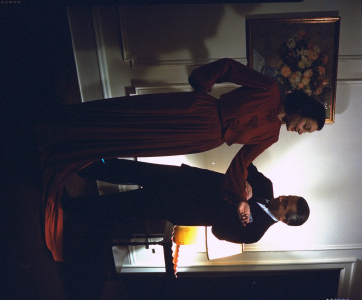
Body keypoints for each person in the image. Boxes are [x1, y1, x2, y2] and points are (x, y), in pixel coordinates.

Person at [36, 58, 323, 261]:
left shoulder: (271, 138)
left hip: (202, 145)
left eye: (305, 132)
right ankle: (78, 149)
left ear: (285, 219)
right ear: (303, 111)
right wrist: (201, 85)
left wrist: (240, 200)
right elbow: (228, 67)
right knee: (135, 125)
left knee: (135, 164)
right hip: (199, 113)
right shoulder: (271, 90)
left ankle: (74, 173)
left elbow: (239, 165)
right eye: (306, 126)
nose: (300, 131)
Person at [69, 159, 309, 244]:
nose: (281, 197)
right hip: (186, 178)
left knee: (127, 205)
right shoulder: (265, 186)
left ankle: (72, 208)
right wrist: (246, 187)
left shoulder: (255, 232)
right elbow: (244, 165)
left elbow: (219, 232)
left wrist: (237, 207)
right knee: (133, 169)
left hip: (181, 207)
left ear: (285, 219)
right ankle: (82, 167)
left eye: (285, 203)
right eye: (287, 196)